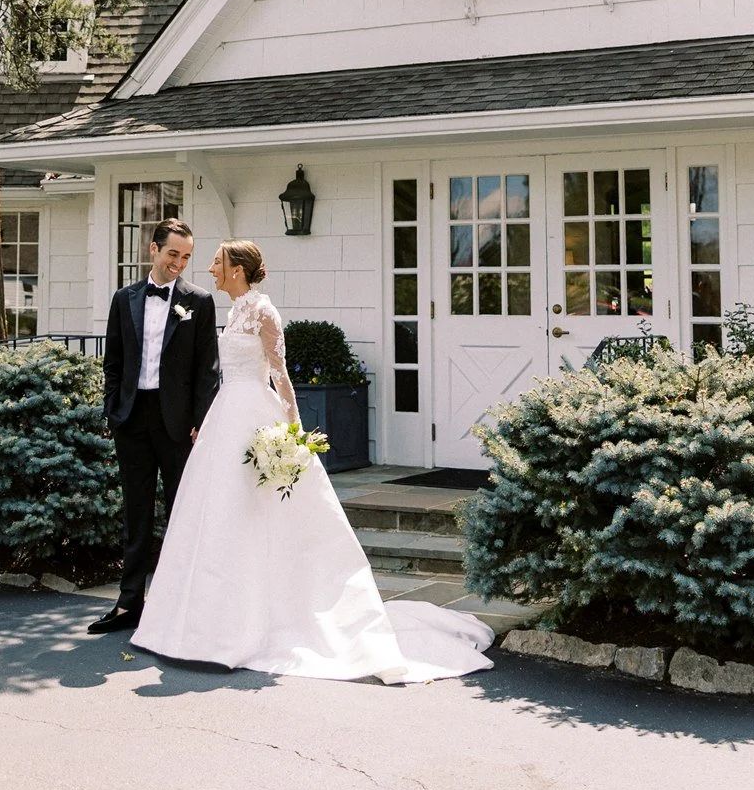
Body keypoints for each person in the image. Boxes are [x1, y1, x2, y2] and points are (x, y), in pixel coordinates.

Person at [131, 240, 494, 684]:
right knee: (221, 515)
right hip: (226, 416)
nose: (210, 268)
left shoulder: (264, 312)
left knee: (258, 516)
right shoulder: (232, 310)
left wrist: (296, 435)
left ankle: (263, 619)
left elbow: (280, 374)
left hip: (255, 419)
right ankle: (204, 623)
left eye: (218, 262)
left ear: (239, 270)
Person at [87, 218, 220, 635]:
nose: (178, 263)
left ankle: (179, 604)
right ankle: (129, 605)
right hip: (132, 420)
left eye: (185, 257)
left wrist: (201, 422)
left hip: (178, 425)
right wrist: (114, 412)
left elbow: (207, 370)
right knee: (136, 515)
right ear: (152, 250)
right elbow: (113, 363)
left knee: (181, 513)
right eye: (172, 254)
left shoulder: (199, 302)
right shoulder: (123, 298)